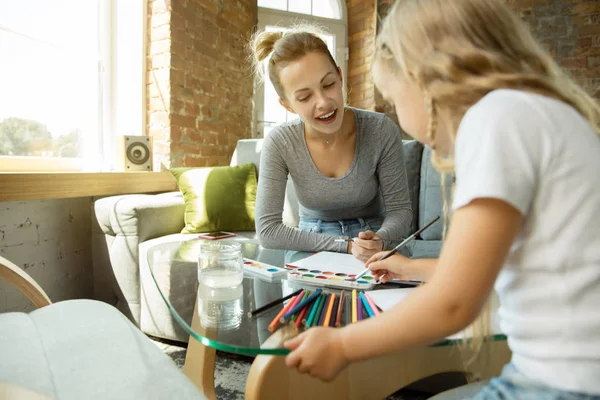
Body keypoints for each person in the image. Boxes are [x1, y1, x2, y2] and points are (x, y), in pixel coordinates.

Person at [283, 1, 600, 398]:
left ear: (423, 79)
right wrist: (409, 267)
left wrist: (342, 345)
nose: (397, 114)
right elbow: (487, 271)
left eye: (394, 99)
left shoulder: (497, 120)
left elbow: (455, 303)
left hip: (558, 386)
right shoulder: (538, 112)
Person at [250, 26, 413, 262]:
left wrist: (379, 239)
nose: (323, 102)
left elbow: (400, 211)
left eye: (328, 85)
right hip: (312, 242)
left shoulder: (380, 129)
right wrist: (345, 245)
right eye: (305, 97)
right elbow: (268, 231)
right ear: (287, 105)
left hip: (376, 239)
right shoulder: (280, 142)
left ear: (340, 76)